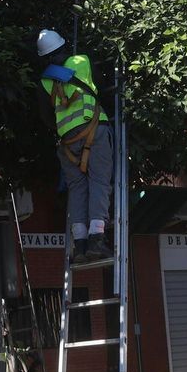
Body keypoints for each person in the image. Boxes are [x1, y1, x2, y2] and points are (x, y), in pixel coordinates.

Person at [37, 28, 113, 263]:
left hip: (67, 144)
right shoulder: (82, 61)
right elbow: (102, 87)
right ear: (64, 46)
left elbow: (45, 117)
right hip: (94, 131)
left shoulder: (45, 81)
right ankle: (96, 240)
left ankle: (79, 245)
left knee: (78, 189)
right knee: (99, 181)